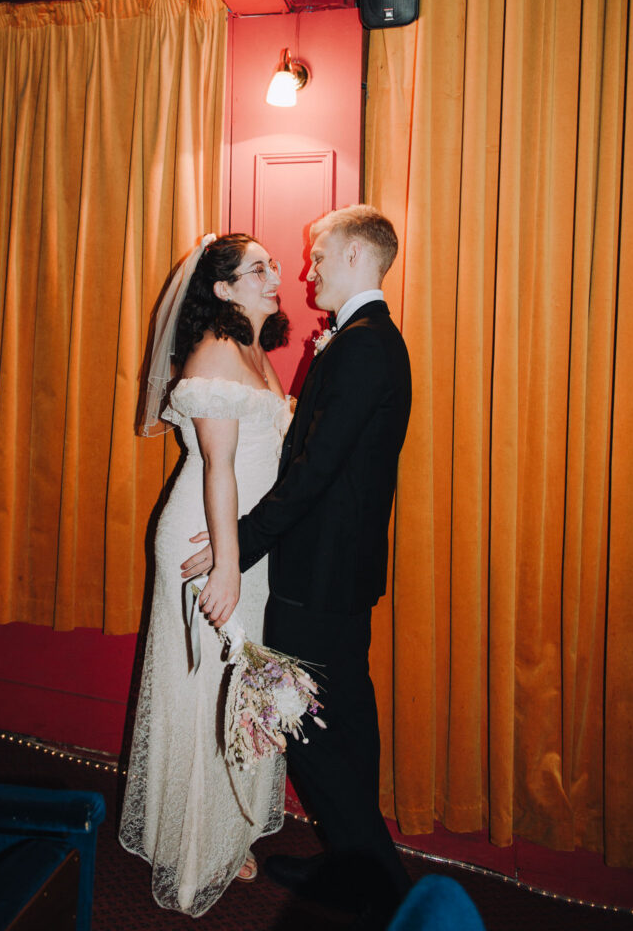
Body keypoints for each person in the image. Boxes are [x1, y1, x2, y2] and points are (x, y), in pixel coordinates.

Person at [182, 205, 413, 928]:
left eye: (318, 257)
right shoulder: (366, 340)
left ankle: (383, 885)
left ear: (353, 259)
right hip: (337, 570)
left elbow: (313, 473)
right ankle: (347, 865)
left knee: (301, 724)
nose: (306, 270)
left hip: (319, 573)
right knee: (345, 716)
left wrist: (238, 547)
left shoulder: (366, 346)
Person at [119, 233, 291, 917]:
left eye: (272, 265)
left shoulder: (253, 348)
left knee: (237, 686)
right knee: (205, 690)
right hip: (205, 541)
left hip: (242, 543)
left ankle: (226, 828)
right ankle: (191, 860)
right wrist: (224, 563)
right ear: (221, 289)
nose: (275, 274)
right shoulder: (218, 351)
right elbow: (218, 466)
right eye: (258, 268)